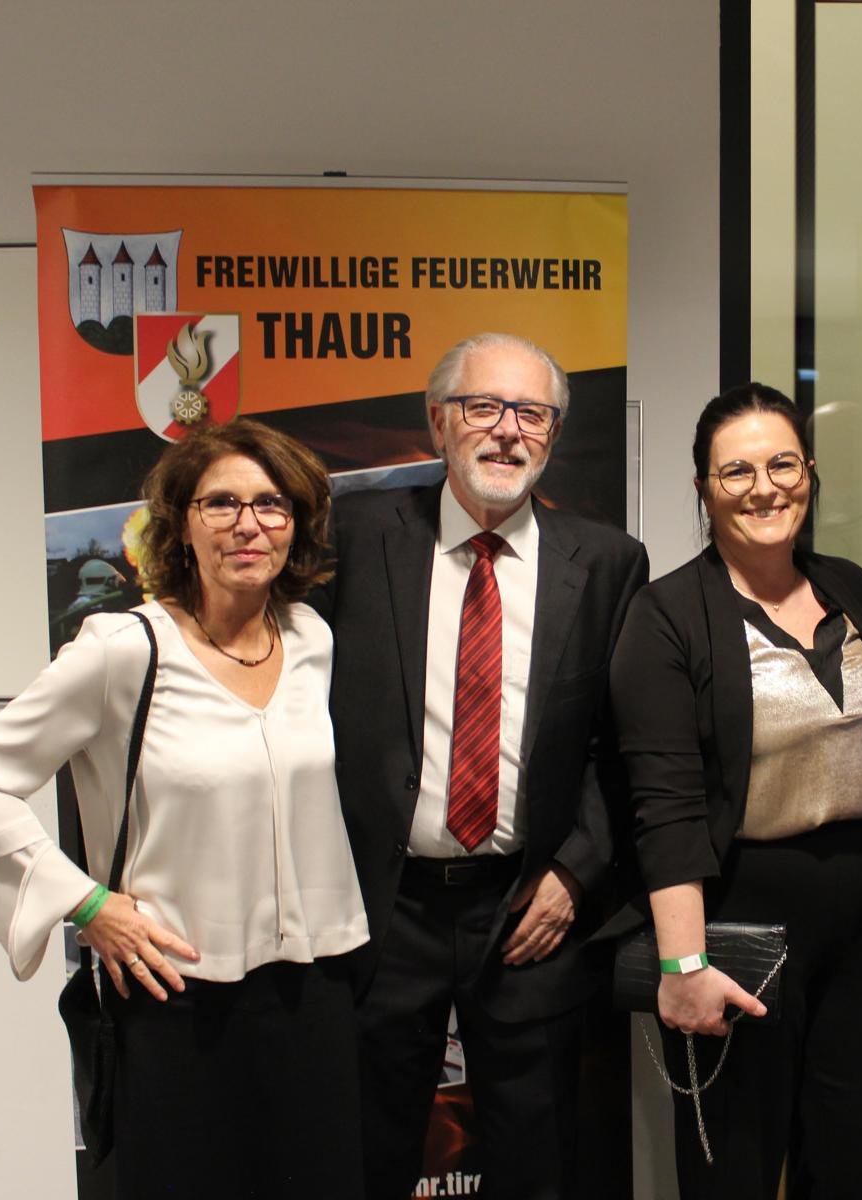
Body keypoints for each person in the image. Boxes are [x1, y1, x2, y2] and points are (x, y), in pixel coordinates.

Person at [0, 419, 368, 1198]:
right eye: (221, 503)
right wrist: (87, 903)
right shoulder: (124, 648)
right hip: (176, 996)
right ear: (182, 524)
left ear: (297, 523)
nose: (248, 524)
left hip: (315, 994)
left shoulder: (311, 638)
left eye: (271, 504)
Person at [310, 331, 648, 1200]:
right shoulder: (355, 536)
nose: (507, 430)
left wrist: (576, 873)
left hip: (528, 906)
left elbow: (621, 744)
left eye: (531, 413)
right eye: (483, 407)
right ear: (438, 421)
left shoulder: (607, 563)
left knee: (540, 1161)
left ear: (554, 434)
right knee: (364, 1154)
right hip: (382, 906)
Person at [608, 382, 862, 1199]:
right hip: (737, 925)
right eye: (736, 471)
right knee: (734, 1172)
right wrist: (684, 963)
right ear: (704, 488)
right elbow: (664, 807)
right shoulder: (666, 616)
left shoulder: (852, 585)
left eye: (783, 464)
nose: (764, 488)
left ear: (809, 474)